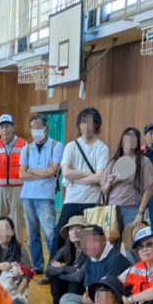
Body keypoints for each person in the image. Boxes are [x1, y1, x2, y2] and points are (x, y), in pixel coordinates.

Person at [52, 107, 110, 257]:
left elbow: (100, 177)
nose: (86, 126)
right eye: (83, 122)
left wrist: (77, 178)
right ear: (79, 125)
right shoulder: (71, 146)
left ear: (96, 125)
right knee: (60, 235)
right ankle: (53, 269)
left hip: (91, 201)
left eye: (90, 123)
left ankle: (85, 271)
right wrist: (91, 176)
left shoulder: (102, 148)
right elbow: (66, 173)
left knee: (89, 239)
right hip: (71, 199)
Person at [59, 224, 129, 304]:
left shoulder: (115, 259)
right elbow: (88, 289)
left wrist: (89, 299)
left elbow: (109, 296)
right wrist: (88, 298)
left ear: (104, 239)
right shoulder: (90, 259)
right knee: (66, 298)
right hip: (94, 299)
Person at [19, 115, 62, 273]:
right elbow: (21, 174)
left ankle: (53, 267)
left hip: (45, 196)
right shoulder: (27, 148)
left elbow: (52, 170)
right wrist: (43, 173)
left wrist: (34, 171)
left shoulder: (56, 146)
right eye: (32, 127)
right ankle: (37, 266)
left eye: (38, 126)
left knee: (50, 233)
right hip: (27, 196)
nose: (35, 130)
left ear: (46, 128)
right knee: (32, 234)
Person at [103, 126, 153, 233]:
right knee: (111, 245)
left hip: (132, 208)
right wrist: (109, 183)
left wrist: (140, 212)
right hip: (112, 208)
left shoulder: (144, 162)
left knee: (131, 245)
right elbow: (104, 190)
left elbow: (151, 188)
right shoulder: (113, 162)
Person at [0, 114, 27, 233]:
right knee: (0, 219)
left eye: (8, 126)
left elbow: (27, 167)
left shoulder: (23, 145)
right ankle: (0, 248)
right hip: (0, 189)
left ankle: (17, 249)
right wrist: (1, 180)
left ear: (13, 128)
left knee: (17, 219)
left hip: (18, 189)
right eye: (2, 127)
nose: (5, 129)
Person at [0, 216, 33, 304]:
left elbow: (27, 275)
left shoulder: (20, 249)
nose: (2, 232)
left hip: (16, 285)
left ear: (12, 232)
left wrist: (18, 293)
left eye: (6, 229)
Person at [45, 215, 87, 304]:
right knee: (53, 276)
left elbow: (78, 277)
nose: (74, 232)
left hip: (84, 289)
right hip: (70, 281)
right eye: (71, 229)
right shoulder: (66, 248)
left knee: (70, 279)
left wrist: (60, 271)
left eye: (78, 229)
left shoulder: (90, 250)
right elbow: (48, 269)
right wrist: (68, 269)